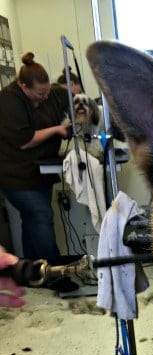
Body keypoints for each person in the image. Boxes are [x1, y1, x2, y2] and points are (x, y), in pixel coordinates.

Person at [0, 52, 78, 291]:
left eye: (47, 92)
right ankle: (53, 274)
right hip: (16, 175)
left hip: (39, 173)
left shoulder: (50, 95)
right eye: (39, 93)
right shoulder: (8, 101)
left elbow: (71, 96)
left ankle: (31, 272)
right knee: (41, 216)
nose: (44, 97)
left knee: (31, 222)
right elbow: (25, 140)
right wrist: (56, 130)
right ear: (23, 86)